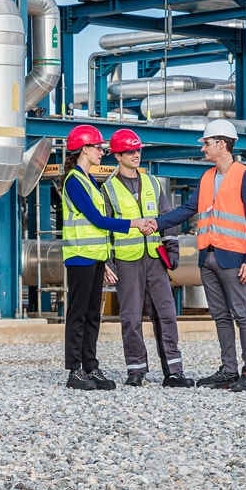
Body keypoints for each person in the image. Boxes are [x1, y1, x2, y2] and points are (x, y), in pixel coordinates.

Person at [155, 118, 246, 392]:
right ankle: (229, 370)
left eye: (207, 143)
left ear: (222, 144)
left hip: (234, 258)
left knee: (242, 315)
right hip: (208, 258)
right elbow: (187, 210)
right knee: (221, 317)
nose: (203, 148)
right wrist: (155, 223)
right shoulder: (206, 178)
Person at [58, 123, 156, 391]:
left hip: (96, 257)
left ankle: (91, 366)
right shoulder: (74, 181)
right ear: (84, 149)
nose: (102, 152)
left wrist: (106, 259)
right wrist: (134, 223)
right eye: (98, 148)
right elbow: (98, 220)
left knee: (92, 315)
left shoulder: (89, 180)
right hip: (80, 256)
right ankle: (74, 370)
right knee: (78, 314)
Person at [99, 128, 191, 387]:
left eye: (137, 150)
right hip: (126, 261)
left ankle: (174, 371)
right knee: (130, 317)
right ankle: (136, 369)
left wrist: (172, 247)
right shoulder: (108, 189)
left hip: (154, 258)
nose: (136, 154)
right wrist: (107, 261)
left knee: (166, 314)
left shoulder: (153, 183)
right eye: (129, 151)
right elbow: (104, 228)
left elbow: (166, 217)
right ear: (118, 156)